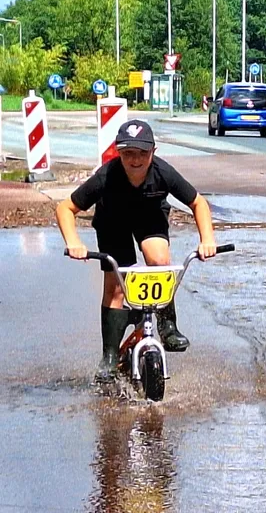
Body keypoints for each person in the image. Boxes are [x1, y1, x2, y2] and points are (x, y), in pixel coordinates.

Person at [56, 120, 217, 383]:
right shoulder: (106, 176)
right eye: (128, 153)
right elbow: (65, 208)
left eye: (142, 153)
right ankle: (109, 357)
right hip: (113, 223)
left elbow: (198, 202)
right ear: (119, 153)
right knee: (117, 285)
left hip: (149, 218)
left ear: (154, 151)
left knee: (159, 260)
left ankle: (167, 326)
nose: (135, 160)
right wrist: (74, 242)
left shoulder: (163, 172)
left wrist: (207, 238)